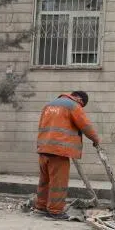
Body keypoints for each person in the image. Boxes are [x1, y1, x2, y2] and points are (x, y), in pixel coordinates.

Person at [35, 91, 101, 220]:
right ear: (79, 99)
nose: (81, 106)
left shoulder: (49, 105)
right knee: (58, 183)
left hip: (44, 148)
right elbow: (85, 125)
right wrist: (96, 140)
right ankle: (55, 212)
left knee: (45, 181)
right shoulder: (73, 106)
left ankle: (41, 207)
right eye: (82, 104)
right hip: (59, 151)